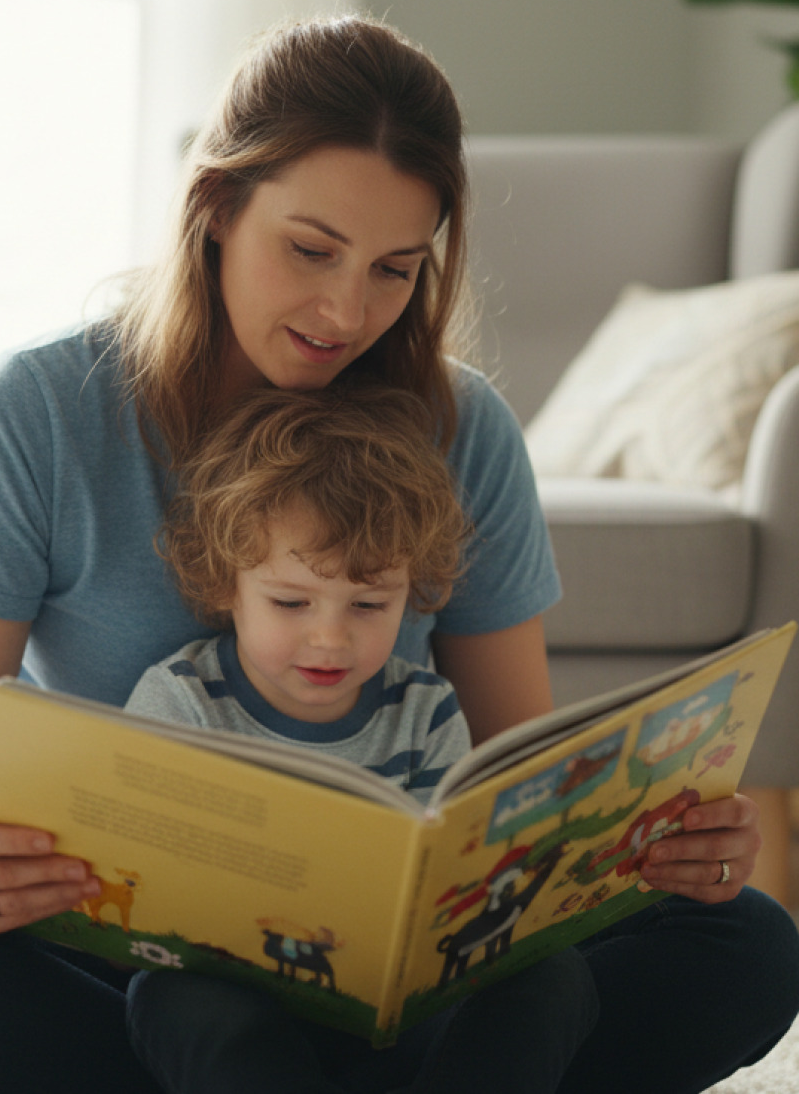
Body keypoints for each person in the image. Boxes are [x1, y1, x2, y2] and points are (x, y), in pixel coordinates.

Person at [0, 13, 799, 1094]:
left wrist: (642, 847)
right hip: (148, 970)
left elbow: (519, 769)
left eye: (393, 270)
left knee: (740, 943)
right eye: (310, 250)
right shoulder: (37, 412)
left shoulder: (462, 430)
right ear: (217, 207)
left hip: (414, 987)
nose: (344, 310)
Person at [120, 382, 596, 1094]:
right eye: (290, 601)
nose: (330, 637)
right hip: (234, 997)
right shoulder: (179, 700)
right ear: (227, 583)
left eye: (371, 605)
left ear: (411, 592)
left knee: (556, 976)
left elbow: (452, 875)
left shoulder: (426, 709)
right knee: (171, 1001)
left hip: (394, 1009)